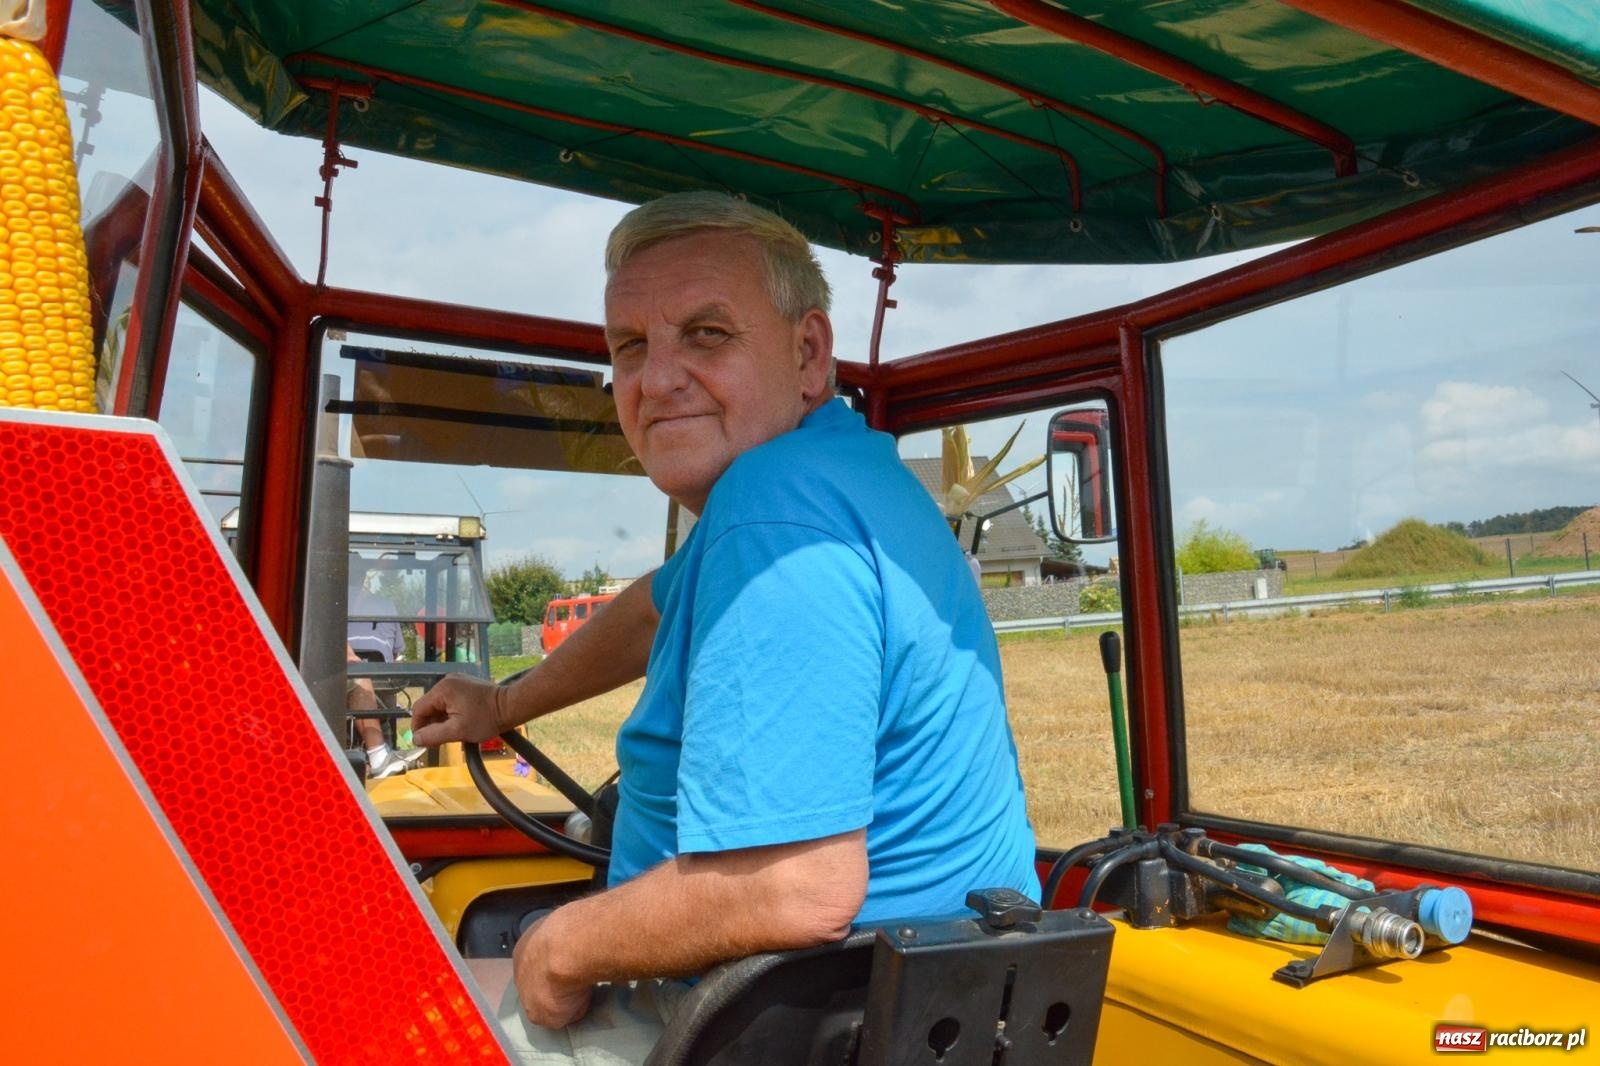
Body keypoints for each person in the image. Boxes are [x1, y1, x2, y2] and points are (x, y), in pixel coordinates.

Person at [411, 191, 1037, 1063]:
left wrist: (558, 943)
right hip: (926, 1014)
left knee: (396, 1015)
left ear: (808, 352)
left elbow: (795, 887)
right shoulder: (844, 471)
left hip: (787, 1027)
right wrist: (504, 705)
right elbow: (649, 608)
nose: (656, 380)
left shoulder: (771, 508)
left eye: (706, 334)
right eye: (630, 346)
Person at [347, 568, 424, 778]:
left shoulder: (329, 601)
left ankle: (374, 752)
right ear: (361, 576)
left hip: (340, 675)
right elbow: (398, 648)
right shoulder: (386, 605)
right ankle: (385, 744)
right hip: (379, 676)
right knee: (381, 678)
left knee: (358, 674)